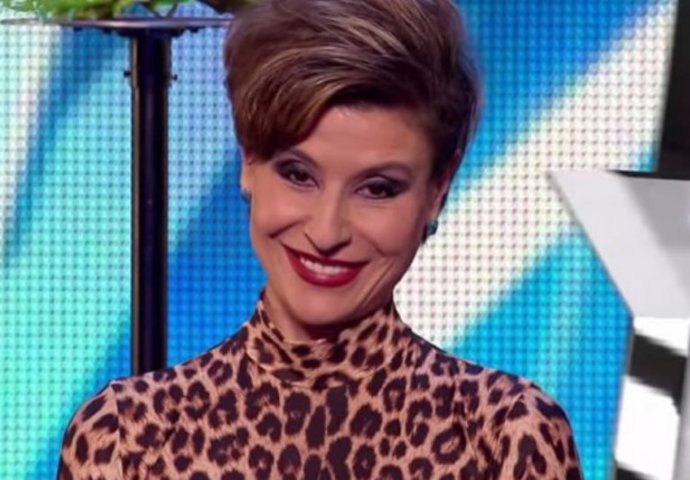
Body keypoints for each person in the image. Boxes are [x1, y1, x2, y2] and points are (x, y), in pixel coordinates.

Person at [57, 0, 583, 478]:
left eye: (378, 188)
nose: (327, 232)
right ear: (249, 162)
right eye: (298, 175)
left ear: (437, 191)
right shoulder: (126, 436)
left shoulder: (505, 436)